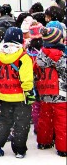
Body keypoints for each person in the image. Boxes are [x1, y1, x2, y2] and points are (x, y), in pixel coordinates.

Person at [0, 27, 35, 158]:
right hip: (20, 96)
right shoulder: (23, 57)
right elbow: (27, 79)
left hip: (3, 95)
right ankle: (19, 149)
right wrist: (29, 93)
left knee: (4, 120)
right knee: (21, 123)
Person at [34, 27, 66, 157]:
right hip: (61, 93)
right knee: (62, 121)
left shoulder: (40, 56)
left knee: (45, 118)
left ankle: (44, 141)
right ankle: (63, 147)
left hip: (45, 91)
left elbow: (35, 71)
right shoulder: (60, 56)